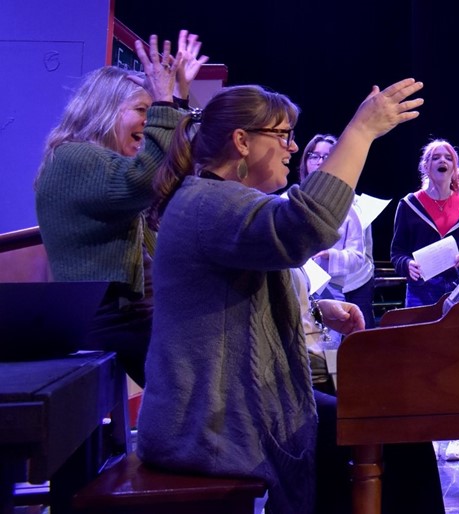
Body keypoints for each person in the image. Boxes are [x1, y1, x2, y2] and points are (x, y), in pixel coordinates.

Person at [137, 78, 429, 514]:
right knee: (397, 439)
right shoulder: (206, 203)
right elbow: (304, 226)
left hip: (243, 408)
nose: (292, 148)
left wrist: (316, 307)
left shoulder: (221, 200)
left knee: (397, 431)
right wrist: (361, 131)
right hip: (210, 424)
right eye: (282, 136)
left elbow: (245, 291)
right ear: (242, 142)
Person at [34, 30, 205, 385]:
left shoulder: (108, 165)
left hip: (137, 312)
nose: (149, 119)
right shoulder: (73, 157)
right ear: (105, 109)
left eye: (150, 111)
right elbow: (148, 179)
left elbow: (171, 178)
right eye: (141, 110)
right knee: (205, 391)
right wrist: (164, 103)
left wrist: (177, 98)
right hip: (111, 315)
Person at [389, 140, 459, 309]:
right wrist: (407, 264)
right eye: (436, 158)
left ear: (454, 168)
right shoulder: (409, 205)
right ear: (426, 167)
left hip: (458, 289)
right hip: (420, 290)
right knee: (420, 335)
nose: (442, 161)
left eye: (448, 158)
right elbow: (397, 253)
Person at [301, 133, 377, 329]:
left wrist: (331, 256)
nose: (320, 162)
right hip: (295, 286)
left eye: (328, 156)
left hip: (331, 289)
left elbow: (358, 256)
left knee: (328, 354)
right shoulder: (288, 200)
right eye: (314, 156)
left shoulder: (350, 208)